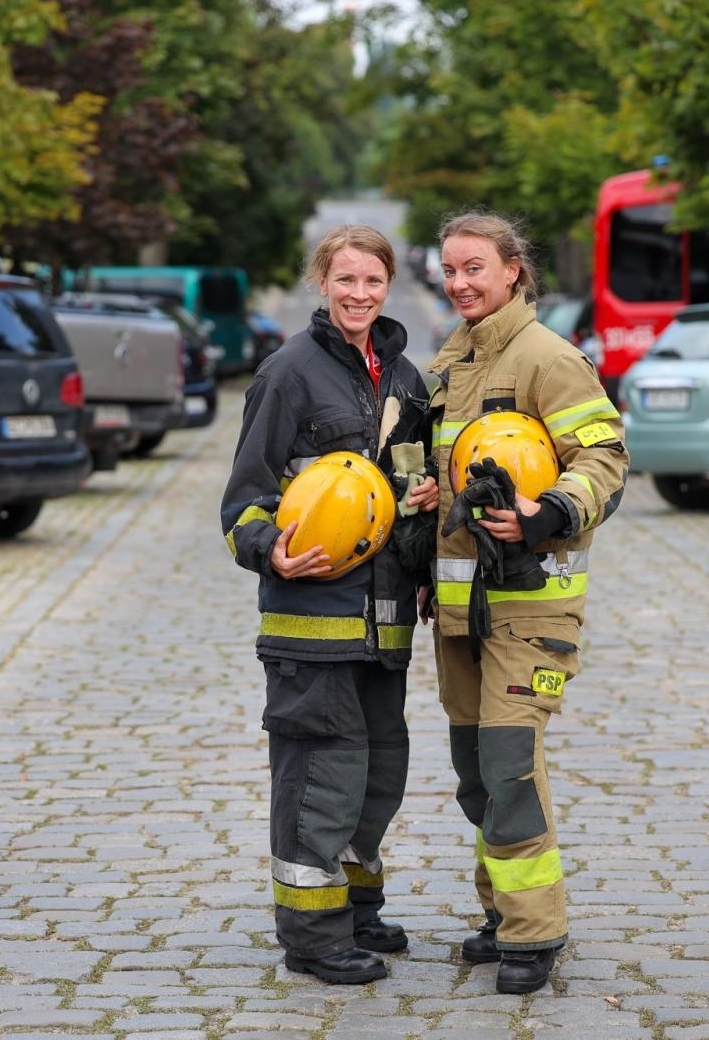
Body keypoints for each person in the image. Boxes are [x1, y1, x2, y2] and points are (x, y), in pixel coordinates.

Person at [220, 225, 439, 985]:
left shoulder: (407, 378)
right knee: (320, 773)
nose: (359, 294)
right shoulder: (288, 374)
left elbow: (409, 493)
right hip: (310, 620)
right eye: (345, 280)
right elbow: (245, 498)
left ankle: (358, 911)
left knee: (379, 771)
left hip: (384, 623)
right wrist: (266, 548)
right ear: (323, 282)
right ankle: (313, 939)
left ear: (388, 286)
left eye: (372, 281)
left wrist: (425, 514)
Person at [426, 212, 629, 994]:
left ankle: (536, 935)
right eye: (450, 269)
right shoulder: (456, 361)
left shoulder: (546, 357)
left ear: (515, 270)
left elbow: (605, 455)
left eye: (475, 267)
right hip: (459, 608)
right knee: (476, 772)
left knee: (509, 765)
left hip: (530, 604)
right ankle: (503, 913)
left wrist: (549, 514)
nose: (460, 283)